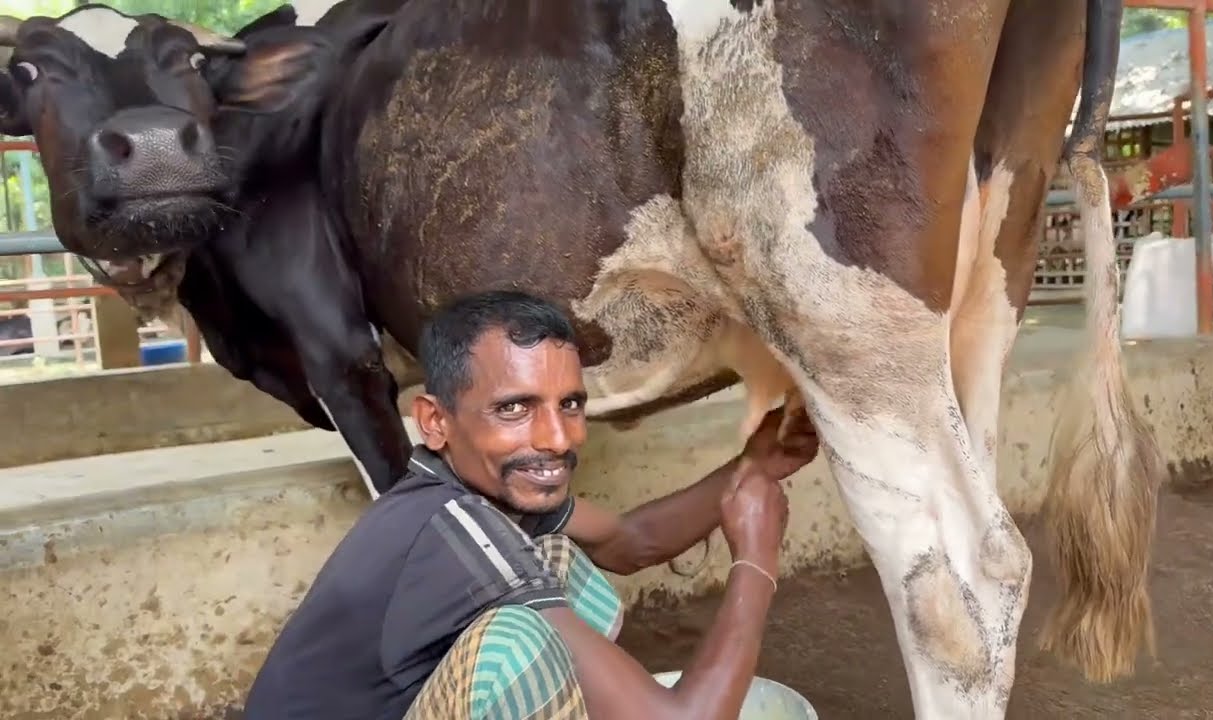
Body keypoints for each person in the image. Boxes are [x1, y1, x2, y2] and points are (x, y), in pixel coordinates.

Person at [241, 289, 820, 720]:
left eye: (568, 405)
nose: (557, 438)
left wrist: (753, 465)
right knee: (521, 637)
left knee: (560, 565)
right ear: (436, 421)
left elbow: (629, 541)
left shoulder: (481, 486)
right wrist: (756, 560)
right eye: (514, 409)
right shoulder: (453, 528)